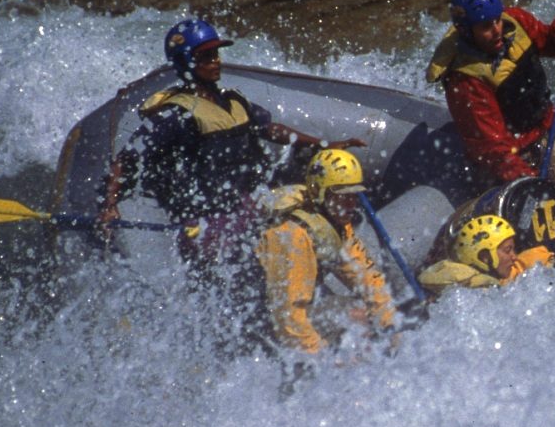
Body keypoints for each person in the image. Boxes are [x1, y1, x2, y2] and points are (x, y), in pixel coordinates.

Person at [98, 19, 364, 266]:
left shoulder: (233, 101)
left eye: (216, 55)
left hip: (244, 206)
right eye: (206, 57)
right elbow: (128, 158)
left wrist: (322, 144)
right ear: (186, 62)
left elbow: (270, 129)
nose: (215, 62)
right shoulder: (176, 114)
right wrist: (109, 205)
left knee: (302, 217)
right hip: (205, 220)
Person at [424, 0, 555, 204]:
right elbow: (493, 149)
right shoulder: (466, 81)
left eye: (497, 20)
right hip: (503, 163)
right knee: (540, 210)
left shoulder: (515, 21)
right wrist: (533, 183)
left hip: (544, 137)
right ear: (466, 30)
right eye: (486, 26)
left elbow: (552, 44)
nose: (497, 30)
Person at [255, 148, 398, 354]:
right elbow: (287, 314)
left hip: (290, 311)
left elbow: (368, 280)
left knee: (369, 316)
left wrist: (390, 324)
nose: (351, 204)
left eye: (354, 195)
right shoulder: (292, 235)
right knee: (355, 317)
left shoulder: (336, 223)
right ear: (319, 193)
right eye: (342, 196)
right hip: (260, 317)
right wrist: (321, 359)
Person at [417, 214, 555, 297]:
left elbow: (523, 265)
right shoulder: (466, 286)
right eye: (508, 250)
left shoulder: (493, 277)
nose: (514, 256)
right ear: (484, 257)